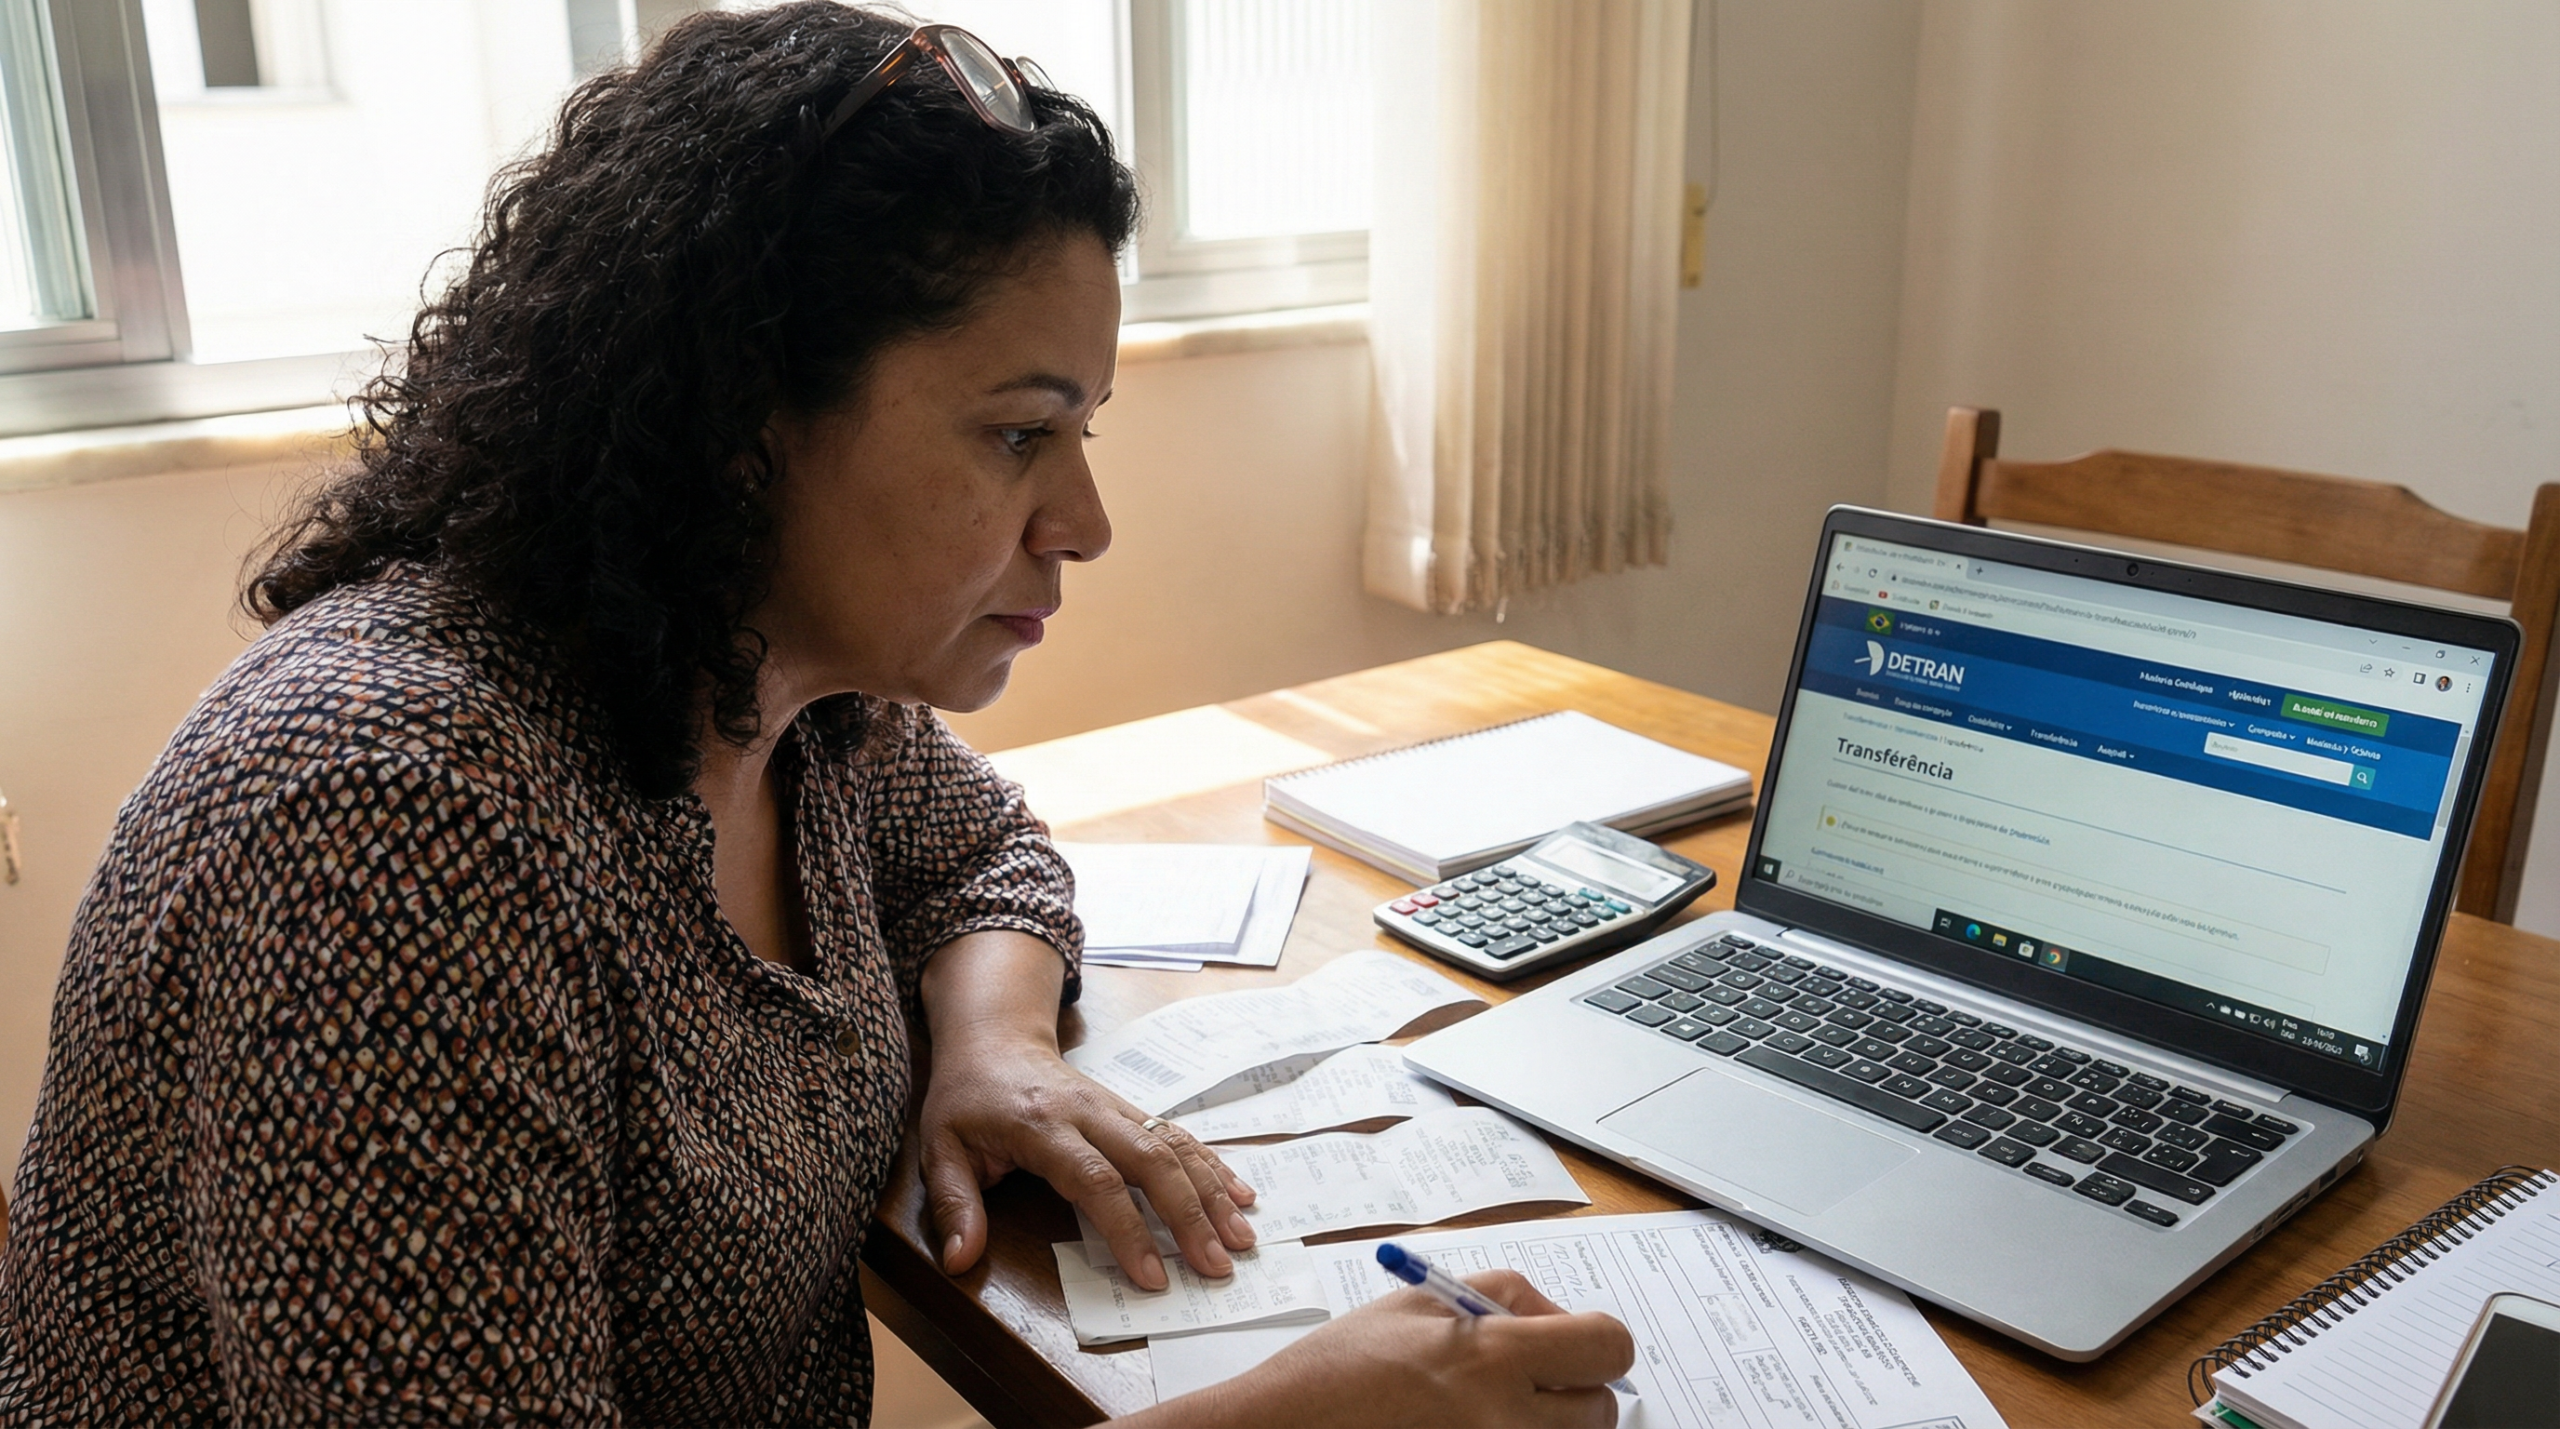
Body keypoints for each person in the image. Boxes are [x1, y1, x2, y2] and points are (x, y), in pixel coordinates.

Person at [0, 5, 1632, 1425]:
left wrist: (995, 1051)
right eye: (1017, 435)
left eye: (1087, 429)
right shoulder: (393, 823)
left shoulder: (781, 692)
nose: (1085, 520)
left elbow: (980, 846)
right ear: (743, 421)